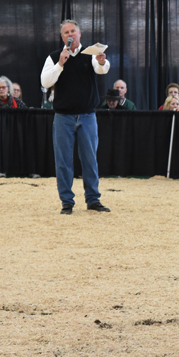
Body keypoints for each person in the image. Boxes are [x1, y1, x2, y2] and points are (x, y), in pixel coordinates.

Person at [40, 19, 111, 215]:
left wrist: (102, 61)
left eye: (73, 31)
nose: (70, 34)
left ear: (80, 34)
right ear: (62, 37)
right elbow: (45, 82)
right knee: (63, 161)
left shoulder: (91, 54)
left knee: (90, 159)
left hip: (87, 116)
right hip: (63, 117)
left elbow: (102, 69)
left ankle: (93, 200)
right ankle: (67, 202)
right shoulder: (54, 57)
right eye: (66, 32)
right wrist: (60, 64)